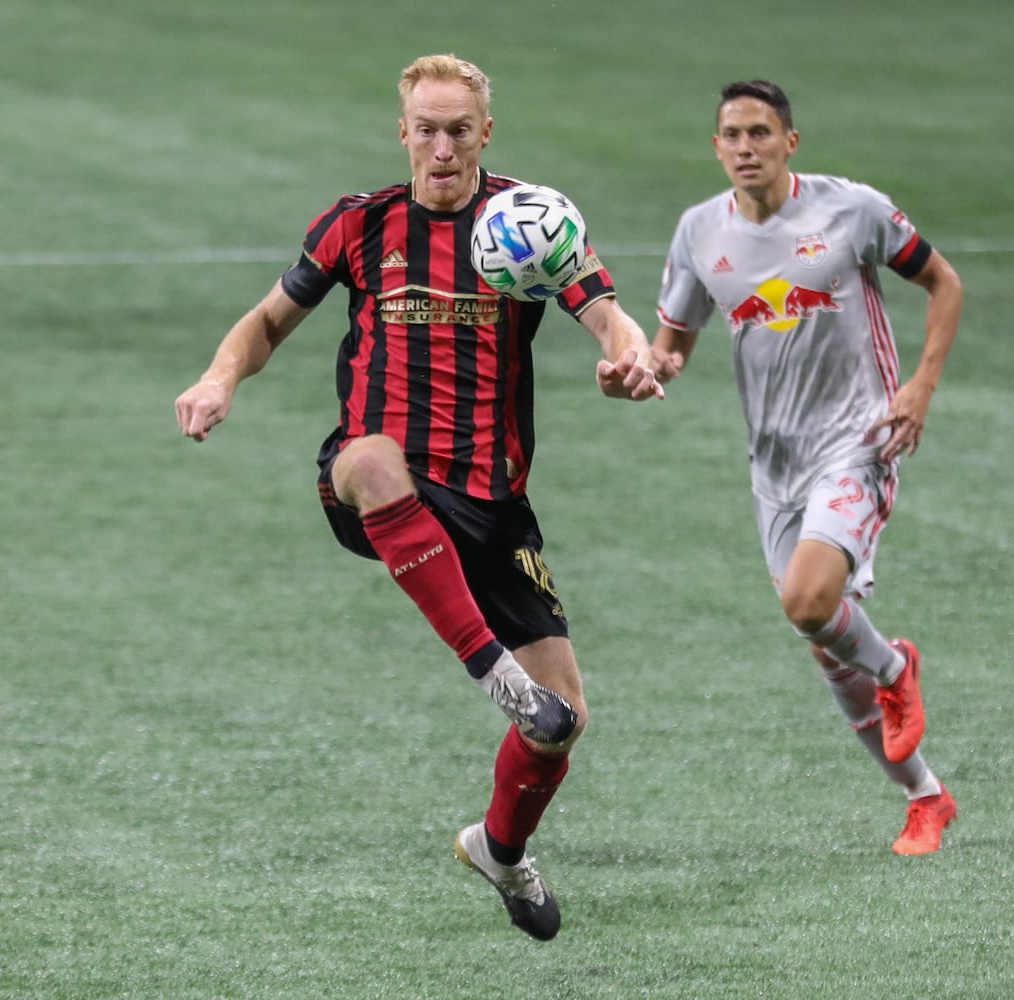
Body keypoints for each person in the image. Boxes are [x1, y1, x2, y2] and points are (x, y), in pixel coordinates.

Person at [175, 54, 663, 940]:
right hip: (381, 476)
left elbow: (607, 312)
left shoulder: (530, 221)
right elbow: (266, 322)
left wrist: (627, 357)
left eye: (459, 129)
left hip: (493, 503)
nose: (442, 147)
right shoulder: (358, 225)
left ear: (486, 132)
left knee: (563, 725)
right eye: (426, 130)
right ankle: (493, 673)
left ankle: (501, 851)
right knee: (366, 457)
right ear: (402, 132)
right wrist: (221, 379)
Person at [649, 80, 964, 854]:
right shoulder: (698, 232)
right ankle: (925, 796)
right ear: (716, 147)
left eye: (761, 131)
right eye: (732, 134)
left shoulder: (851, 210)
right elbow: (672, 347)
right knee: (824, 640)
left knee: (808, 600)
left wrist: (919, 387)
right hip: (775, 465)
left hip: (858, 439)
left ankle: (895, 670)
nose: (746, 146)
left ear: (792, 141)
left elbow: (943, 283)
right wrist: (637, 371)